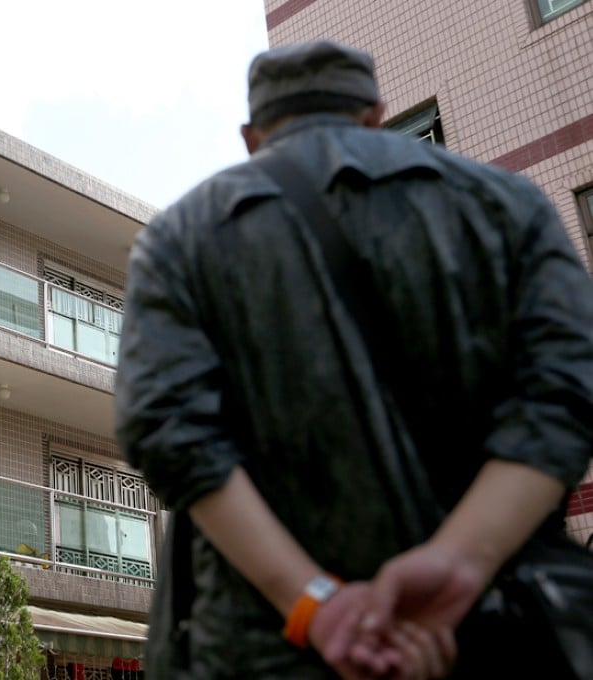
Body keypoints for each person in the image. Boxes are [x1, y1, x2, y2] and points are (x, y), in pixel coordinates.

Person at [114, 39, 593, 679]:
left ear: (252, 136)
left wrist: (316, 604)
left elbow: (166, 431)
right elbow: (568, 389)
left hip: (266, 650)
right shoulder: (508, 206)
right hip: (496, 629)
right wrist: (460, 562)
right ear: (374, 113)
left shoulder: (179, 237)